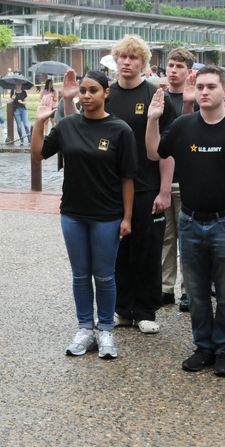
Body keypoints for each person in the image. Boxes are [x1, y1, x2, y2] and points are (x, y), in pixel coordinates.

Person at [147, 65, 225, 377]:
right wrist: (153, 121)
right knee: (196, 291)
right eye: (201, 87)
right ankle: (203, 346)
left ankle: (224, 349)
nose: (205, 92)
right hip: (191, 221)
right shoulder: (184, 126)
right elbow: (155, 152)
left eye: (212, 86)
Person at [32, 70, 136, 359]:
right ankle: (84, 329)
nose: (87, 96)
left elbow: (128, 177)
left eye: (93, 90)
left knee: (104, 275)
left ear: (106, 93)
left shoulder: (120, 130)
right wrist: (40, 121)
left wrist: (127, 217)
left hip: (108, 214)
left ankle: (105, 331)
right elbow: (38, 154)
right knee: (80, 275)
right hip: (73, 214)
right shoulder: (67, 126)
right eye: (83, 91)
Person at [105, 35, 175, 335]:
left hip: (147, 185)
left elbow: (168, 148)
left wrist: (164, 190)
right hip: (112, 188)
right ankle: (122, 308)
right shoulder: (107, 95)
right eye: (123, 57)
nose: (127, 62)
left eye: (134, 58)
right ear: (116, 60)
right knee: (118, 251)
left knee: (148, 250)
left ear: (143, 63)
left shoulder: (156, 96)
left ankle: (146, 309)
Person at [160, 48, 196, 310]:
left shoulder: (195, 97)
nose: (174, 70)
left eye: (179, 66)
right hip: (161, 179)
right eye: (171, 65)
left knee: (188, 237)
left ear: (188, 71)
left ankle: (188, 288)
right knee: (166, 236)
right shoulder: (158, 97)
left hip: (186, 178)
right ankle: (165, 286)